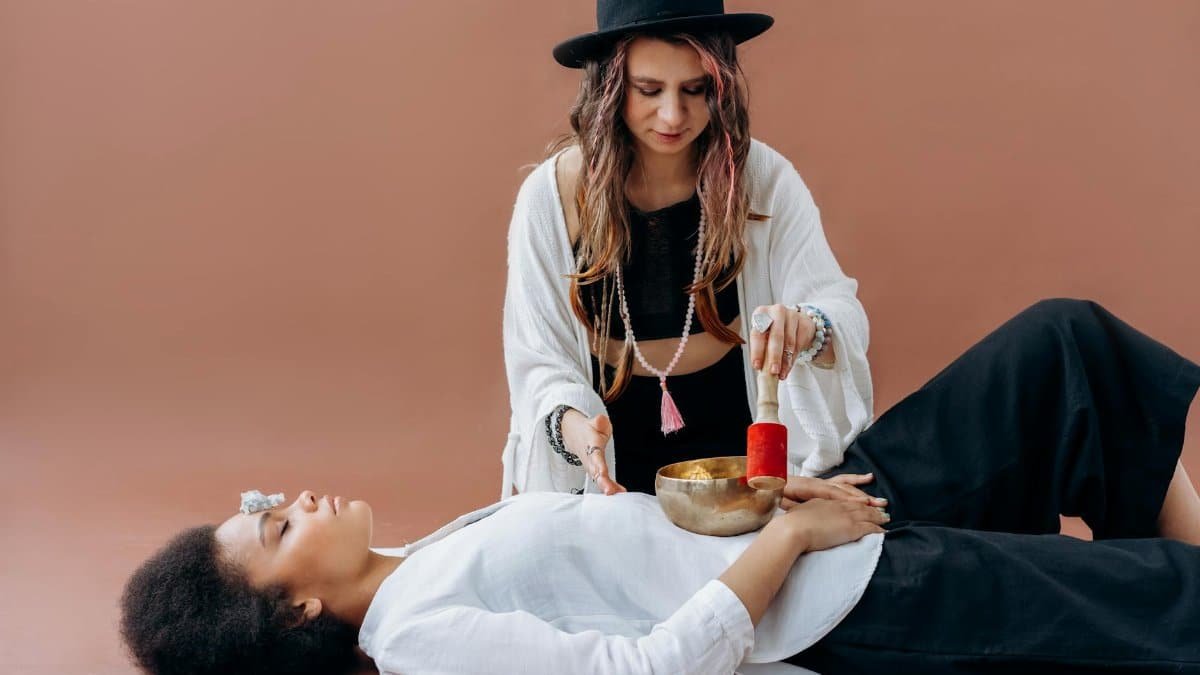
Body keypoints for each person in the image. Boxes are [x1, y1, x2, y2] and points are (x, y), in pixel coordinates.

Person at [122, 300, 1200, 674]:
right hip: (834, 596)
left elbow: (626, 559)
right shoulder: (420, 637)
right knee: (1157, 601)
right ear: (295, 607)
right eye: (269, 525)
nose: (292, 499)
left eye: (267, 497)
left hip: (797, 515)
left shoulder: (422, 556)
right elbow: (645, 666)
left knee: (1064, 348)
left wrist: (778, 502)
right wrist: (797, 540)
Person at [501, 0, 874, 498]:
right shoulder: (551, 200)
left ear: (719, 88)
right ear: (610, 86)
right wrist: (577, 435)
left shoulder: (762, 181)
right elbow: (539, 364)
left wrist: (807, 327)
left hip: (747, 465)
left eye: (695, 90)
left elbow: (838, 310)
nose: (673, 115)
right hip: (608, 466)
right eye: (649, 90)